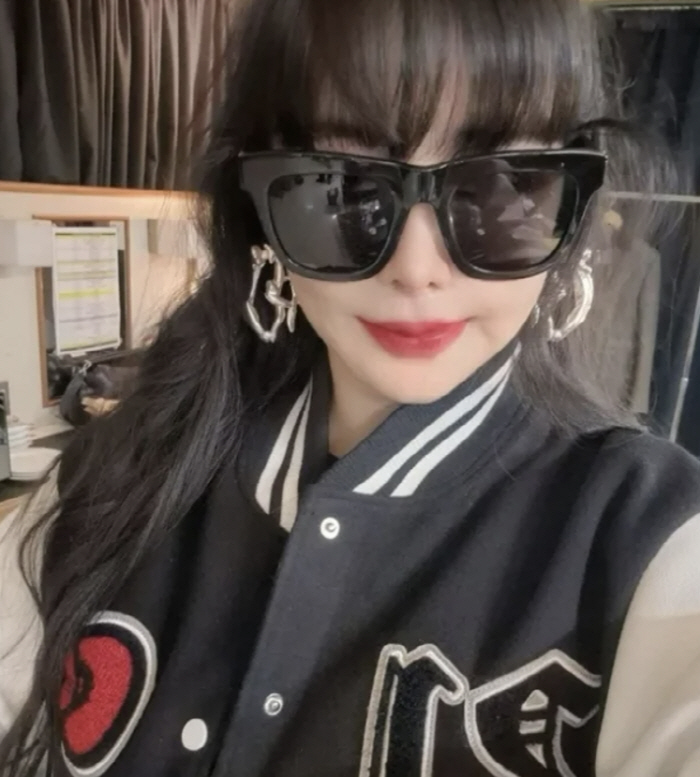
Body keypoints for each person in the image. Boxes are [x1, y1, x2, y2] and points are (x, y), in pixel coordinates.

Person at [2, 0, 700, 775]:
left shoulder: (643, 539)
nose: (417, 268)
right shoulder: (103, 484)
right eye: (342, 187)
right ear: (261, 211)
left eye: (499, 186)